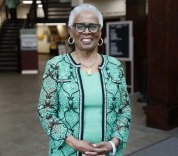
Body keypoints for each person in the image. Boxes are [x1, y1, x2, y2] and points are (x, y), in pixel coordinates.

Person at [38, 4, 132, 156]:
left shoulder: (115, 66)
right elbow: (46, 110)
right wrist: (74, 143)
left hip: (106, 153)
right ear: (71, 31)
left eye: (93, 26)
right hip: (66, 152)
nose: (87, 31)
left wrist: (113, 143)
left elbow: (125, 110)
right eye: (80, 26)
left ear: (100, 32)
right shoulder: (56, 66)